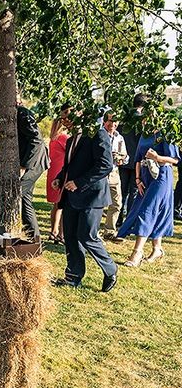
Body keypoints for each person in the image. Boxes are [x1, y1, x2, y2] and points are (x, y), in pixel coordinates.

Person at [51, 108, 118, 292]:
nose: (64, 121)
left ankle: (111, 269)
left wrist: (79, 183)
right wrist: (60, 177)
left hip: (92, 196)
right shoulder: (72, 139)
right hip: (72, 196)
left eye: (66, 117)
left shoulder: (98, 133)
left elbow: (105, 165)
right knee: (70, 236)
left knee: (87, 236)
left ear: (79, 113)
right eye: (62, 117)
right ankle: (73, 276)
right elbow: (70, 166)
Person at [117, 129, 179, 267]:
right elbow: (138, 159)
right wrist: (138, 179)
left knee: (148, 210)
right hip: (145, 176)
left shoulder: (166, 134)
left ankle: (137, 252)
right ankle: (157, 248)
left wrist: (157, 157)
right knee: (151, 209)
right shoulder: (144, 135)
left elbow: (174, 159)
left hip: (161, 176)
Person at [17, 101, 50, 239]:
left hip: (34, 162)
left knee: (17, 193)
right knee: (25, 199)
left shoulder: (22, 114)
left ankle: (30, 237)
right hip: (33, 161)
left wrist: (24, 166)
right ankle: (33, 237)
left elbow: (36, 140)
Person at [117, 94, 146, 227]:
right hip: (137, 161)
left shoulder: (124, 119)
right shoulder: (143, 122)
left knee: (122, 191)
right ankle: (129, 219)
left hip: (123, 159)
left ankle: (118, 218)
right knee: (133, 191)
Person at [100, 111, 128, 240]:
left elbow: (125, 157)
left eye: (115, 121)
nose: (113, 124)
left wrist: (121, 158)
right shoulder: (99, 135)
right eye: (110, 121)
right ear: (104, 122)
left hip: (114, 173)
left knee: (117, 203)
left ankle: (109, 231)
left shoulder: (119, 137)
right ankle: (93, 231)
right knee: (98, 203)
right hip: (100, 173)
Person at [46, 106, 69, 244]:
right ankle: (61, 233)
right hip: (61, 171)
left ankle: (54, 231)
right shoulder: (63, 138)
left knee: (57, 205)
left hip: (53, 171)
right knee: (63, 204)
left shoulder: (53, 138)